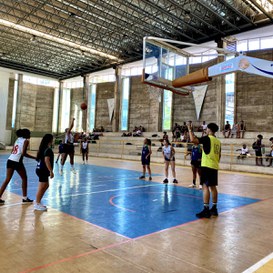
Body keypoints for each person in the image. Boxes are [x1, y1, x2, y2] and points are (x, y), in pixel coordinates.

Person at [188, 122, 221, 218]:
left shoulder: (207, 138)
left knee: (205, 186)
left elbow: (193, 140)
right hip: (214, 166)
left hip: (207, 166)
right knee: (213, 187)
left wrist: (190, 130)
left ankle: (206, 209)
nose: (205, 130)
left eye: (206, 129)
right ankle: (214, 208)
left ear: (209, 130)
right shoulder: (218, 142)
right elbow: (219, 155)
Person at [0, 129, 36, 204]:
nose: (30, 135)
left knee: (7, 180)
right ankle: (25, 198)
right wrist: (35, 158)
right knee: (24, 178)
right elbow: (23, 154)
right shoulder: (26, 141)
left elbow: (12, 151)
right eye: (29, 133)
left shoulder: (17, 139)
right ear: (26, 134)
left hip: (10, 159)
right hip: (17, 161)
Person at [34, 134, 54, 211]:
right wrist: (51, 171)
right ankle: (37, 203)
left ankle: (38, 201)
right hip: (43, 170)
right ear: (50, 140)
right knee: (43, 186)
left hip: (39, 169)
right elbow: (46, 160)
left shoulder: (42, 148)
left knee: (45, 185)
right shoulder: (48, 150)